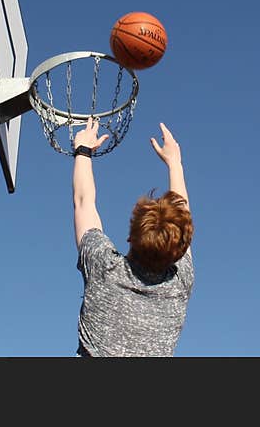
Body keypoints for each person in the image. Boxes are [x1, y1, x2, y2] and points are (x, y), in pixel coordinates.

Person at [71, 118, 194, 357]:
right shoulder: (180, 283)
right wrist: (175, 164)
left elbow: (83, 202)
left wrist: (83, 151)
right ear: (181, 246)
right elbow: (182, 220)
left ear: (130, 237)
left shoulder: (104, 268)